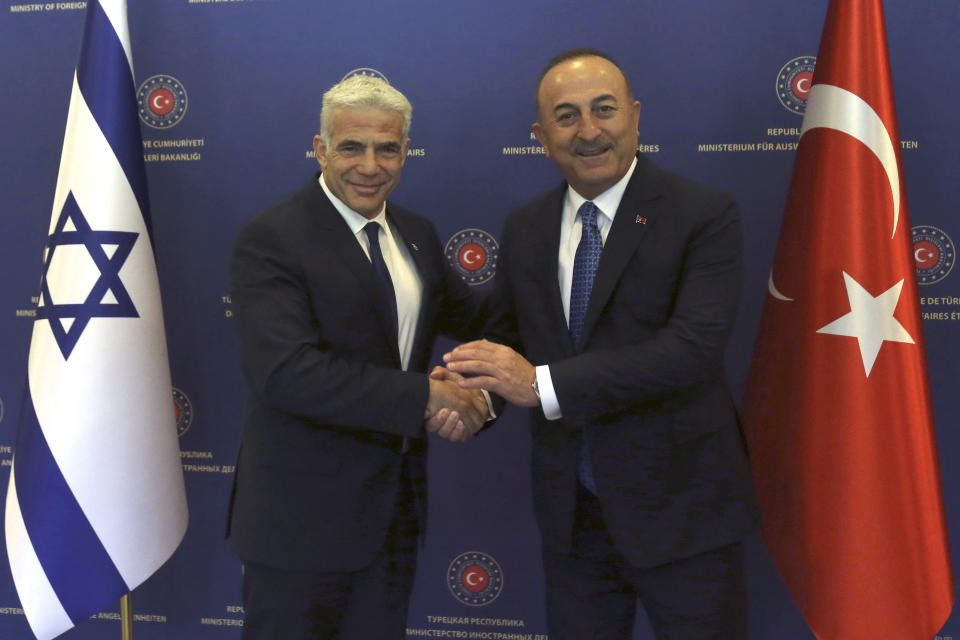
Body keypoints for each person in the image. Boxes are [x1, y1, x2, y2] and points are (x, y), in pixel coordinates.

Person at [443, 49, 761, 639]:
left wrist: (538, 385)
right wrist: (474, 398)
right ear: (541, 136)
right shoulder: (526, 227)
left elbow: (690, 350)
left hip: (684, 516)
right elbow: (513, 341)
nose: (588, 131)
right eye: (566, 116)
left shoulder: (701, 214)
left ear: (636, 116)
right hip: (574, 523)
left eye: (604, 110)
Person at [227, 74, 494, 639]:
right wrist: (429, 395)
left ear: (405, 152)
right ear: (321, 148)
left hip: (392, 519)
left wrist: (490, 393)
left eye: (387, 148)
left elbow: (484, 325)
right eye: (351, 147)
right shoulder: (272, 237)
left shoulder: (416, 233)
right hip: (297, 525)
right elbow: (288, 375)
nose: (370, 165)